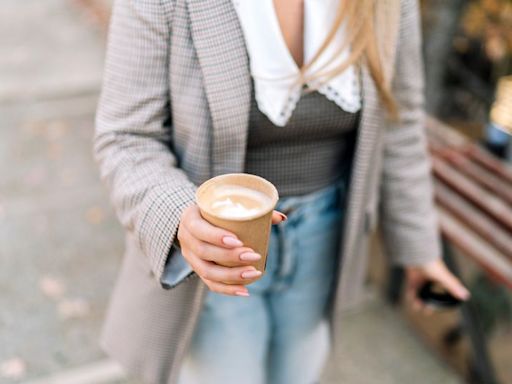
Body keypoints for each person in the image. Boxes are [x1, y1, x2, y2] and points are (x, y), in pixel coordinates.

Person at [93, 0, 471, 383]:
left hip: (326, 240)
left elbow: (399, 120)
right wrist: (181, 219)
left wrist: (418, 247)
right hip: (217, 252)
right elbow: (127, 137)